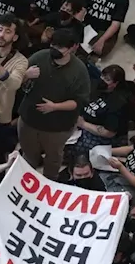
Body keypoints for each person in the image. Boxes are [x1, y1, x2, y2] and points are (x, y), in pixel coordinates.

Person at [17, 28, 90, 179]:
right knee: (28, 155)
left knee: (53, 158)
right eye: (53, 45)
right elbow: (13, 82)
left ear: (72, 47)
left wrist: (55, 107)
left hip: (58, 127)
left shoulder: (79, 71)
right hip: (29, 119)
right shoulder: (39, 57)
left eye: (60, 47)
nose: (55, 50)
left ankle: (49, 183)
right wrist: (25, 75)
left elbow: (78, 101)